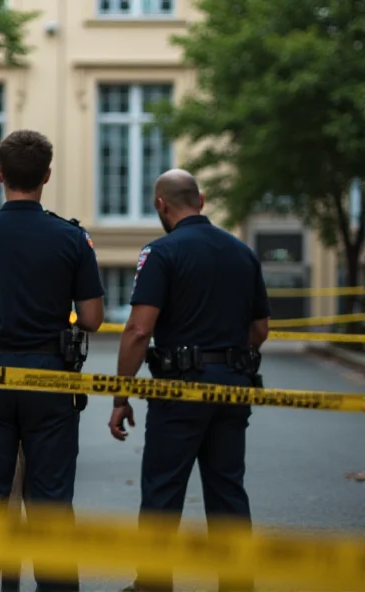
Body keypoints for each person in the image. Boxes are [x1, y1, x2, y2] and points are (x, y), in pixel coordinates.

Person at [0, 129, 105, 592]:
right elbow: (92, 318)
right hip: (50, 380)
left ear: (0, 174)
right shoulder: (71, 238)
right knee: (52, 503)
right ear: (46, 176)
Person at [109, 169, 270, 592]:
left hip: (179, 389)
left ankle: (155, 585)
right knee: (228, 490)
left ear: (161, 205)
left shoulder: (162, 253)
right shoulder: (242, 253)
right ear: (201, 200)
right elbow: (260, 329)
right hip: (234, 385)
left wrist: (120, 395)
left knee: (163, 491)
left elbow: (139, 331)